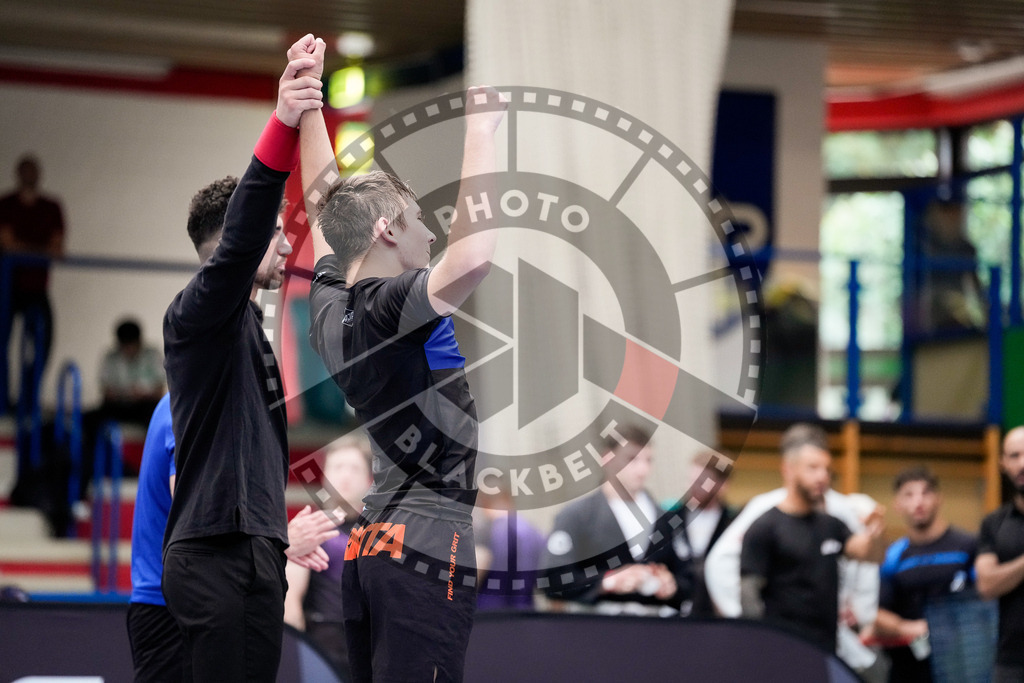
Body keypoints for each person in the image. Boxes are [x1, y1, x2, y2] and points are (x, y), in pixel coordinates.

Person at [297, 34, 506, 682]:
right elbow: (473, 259)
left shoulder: (329, 306)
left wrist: (309, 103)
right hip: (427, 539)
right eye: (418, 219)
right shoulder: (394, 303)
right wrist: (482, 132)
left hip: (372, 544)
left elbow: (324, 209)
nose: (431, 232)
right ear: (386, 231)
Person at [160, 40, 327, 682]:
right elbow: (245, 236)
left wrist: (276, 541)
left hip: (255, 553)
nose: (286, 245)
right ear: (237, 239)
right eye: (275, 233)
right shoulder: (194, 316)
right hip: (213, 556)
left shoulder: (249, 328)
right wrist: (284, 120)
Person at [129, 394, 339, 682]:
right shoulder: (191, 405)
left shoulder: (198, 403)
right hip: (172, 607)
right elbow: (198, 515)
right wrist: (283, 539)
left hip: (190, 598)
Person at [705, 426, 884, 678]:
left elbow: (870, 554)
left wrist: (875, 532)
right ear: (788, 469)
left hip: (825, 651)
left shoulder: (831, 524)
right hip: (781, 653)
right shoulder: (765, 525)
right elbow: (748, 592)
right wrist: (758, 643)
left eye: (826, 469)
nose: (822, 476)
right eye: (813, 468)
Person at [540, 424, 692, 615]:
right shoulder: (577, 516)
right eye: (632, 459)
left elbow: (690, 579)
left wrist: (671, 585)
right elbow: (552, 579)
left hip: (655, 626)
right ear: (607, 458)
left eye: (648, 460)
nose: (642, 470)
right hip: (596, 625)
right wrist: (607, 581)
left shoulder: (665, 519)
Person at [864, 466, 976, 683]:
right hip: (908, 670)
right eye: (909, 495)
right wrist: (908, 628)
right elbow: (878, 614)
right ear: (897, 504)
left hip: (961, 666)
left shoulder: (968, 546)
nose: (918, 502)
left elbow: (986, 602)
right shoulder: (893, 556)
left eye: (926, 493)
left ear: (939, 499)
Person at [284, 433, 373, 680]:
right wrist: (298, 655)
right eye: (338, 467)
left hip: (371, 649)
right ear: (324, 477)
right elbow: (290, 601)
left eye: (354, 468)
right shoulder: (309, 529)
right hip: (323, 647)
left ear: (369, 480)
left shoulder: (384, 535)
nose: (346, 476)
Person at [0, 154, 65, 406]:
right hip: (7, 286)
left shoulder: (50, 207)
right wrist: (40, 250)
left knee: (42, 342)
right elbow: (7, 245)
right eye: (26, 171)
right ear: (18, 174)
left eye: (33, 171)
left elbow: (57, 248)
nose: (30, 176)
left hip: (37, 288)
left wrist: (23, 249)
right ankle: (3, 399)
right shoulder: (6, 204)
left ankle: (27, 400)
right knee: (2, 343)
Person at [976, 426, 1024, 682]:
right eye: (1014, 456)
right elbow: (986, 584)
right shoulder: (994, 523)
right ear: (1002, 464)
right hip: (1011, 662)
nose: (1022, 464)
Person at [670, 449, 739, 617]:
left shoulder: (734, 525)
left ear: (722, 485)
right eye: (691, 480)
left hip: (717, 614)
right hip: (676, 613)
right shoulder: (671, 520)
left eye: (701, 482)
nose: (693, 487)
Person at [474, 484, 546, 611]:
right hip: (526, 613)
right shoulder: (533, 532)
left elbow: (477, 572)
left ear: (483, 502)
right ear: (508, 498)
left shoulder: (486, 530)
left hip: (488, 614)